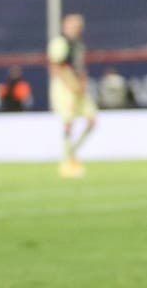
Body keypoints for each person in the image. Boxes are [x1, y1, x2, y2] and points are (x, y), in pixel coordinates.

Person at [48, 13, 97, 178]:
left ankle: (71, 154)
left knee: (91, 121)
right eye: (73, 26)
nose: (76, 29)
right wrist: (70, 85)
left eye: (78, 26)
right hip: (65, 87)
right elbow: (56, 67)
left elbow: (80, 66)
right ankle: (67, 161)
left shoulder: (78, 45)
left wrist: (82, 83)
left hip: (78, 87)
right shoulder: (59, 43)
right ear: (65, 26)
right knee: (68, 122)